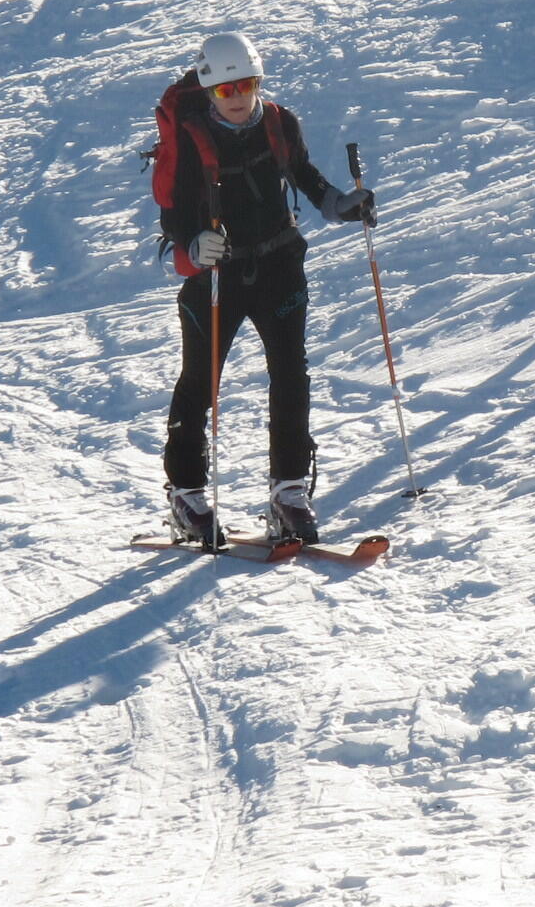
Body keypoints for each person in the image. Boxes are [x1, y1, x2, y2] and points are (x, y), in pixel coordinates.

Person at [150, 32, 376, 549]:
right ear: (209, 91)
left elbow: (305, 176)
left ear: (258, 81)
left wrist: (341, 205)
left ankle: (289, 491)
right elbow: (172, 218)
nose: (237, 98)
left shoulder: (279, 123)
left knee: (291, 375)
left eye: (246, 85)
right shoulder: (189, 140)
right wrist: (195, 244)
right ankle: (187, 494)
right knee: (200, 382)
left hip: (279, 265)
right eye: (224, 90)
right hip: (216, 276)